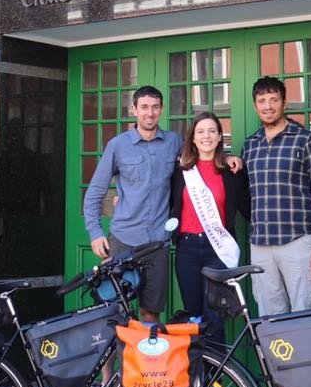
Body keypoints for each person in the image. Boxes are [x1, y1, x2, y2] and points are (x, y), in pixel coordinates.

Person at [83, 86, 182, 323]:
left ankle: (145, 361)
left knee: (151, 312)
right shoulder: (118, 145)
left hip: (157, 243)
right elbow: (95, 191)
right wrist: (95, 232)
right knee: (115, 312)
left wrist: (229, 158)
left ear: (162, 110)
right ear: (134, 110)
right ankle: (114, 362)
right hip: (123, 240)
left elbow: (201, 163)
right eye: (144, 107)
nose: (150, 113)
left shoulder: (174, 142)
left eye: (155, 107)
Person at [241, 75, 311, 315]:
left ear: (284, 103)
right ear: (255, 105)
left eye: (274, 99)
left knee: (305, 314)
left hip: (298, 241)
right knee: (269, 317)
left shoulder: (305, 140)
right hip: (260, 245)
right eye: (262, 100)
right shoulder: (250, 145)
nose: (268, 106)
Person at [168, 111, 248, 338]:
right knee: (193, 318)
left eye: (212, 131)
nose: (206, 136)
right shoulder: (181, 171)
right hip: (187, 249)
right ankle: (196, 373)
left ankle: (217, 374)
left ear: (220, 136)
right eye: (200, 132)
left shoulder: (231, 171)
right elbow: (163, 201)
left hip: (217, 249)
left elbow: (249, 208)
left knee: (215, 317)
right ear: (192, 138)